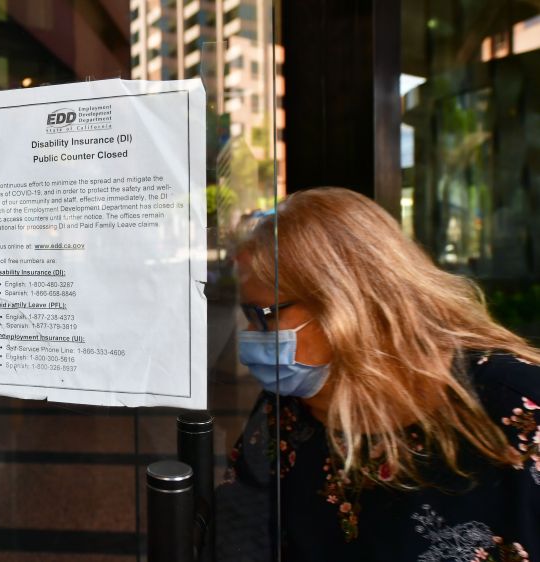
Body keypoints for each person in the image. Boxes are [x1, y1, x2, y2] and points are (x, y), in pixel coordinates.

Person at [218, 187, 540, 562]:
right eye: (248, 316)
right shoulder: (288, 412)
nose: (252, 336)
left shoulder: (516, 406)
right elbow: (239, 533)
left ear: (347, 300)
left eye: (267, 315)